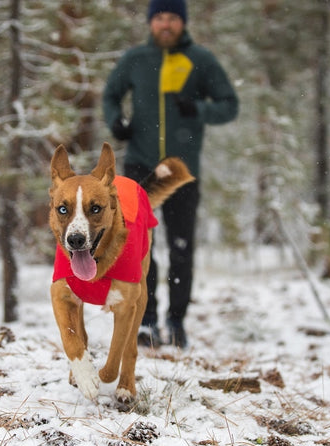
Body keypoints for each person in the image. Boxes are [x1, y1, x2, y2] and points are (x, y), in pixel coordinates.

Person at [102, 0, 238, 349]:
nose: (166, 24)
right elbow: (111, 95)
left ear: (182, 22)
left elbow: (229, 105)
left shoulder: (201, 60)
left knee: (181, 247)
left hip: (180, 169)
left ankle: (176, 321)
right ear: (151, 22)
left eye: (172, 18)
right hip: (140, 166)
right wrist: (116, 121)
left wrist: (199, 109)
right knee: (139, 245)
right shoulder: (135, 59)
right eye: (159, 17)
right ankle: (146, 321)